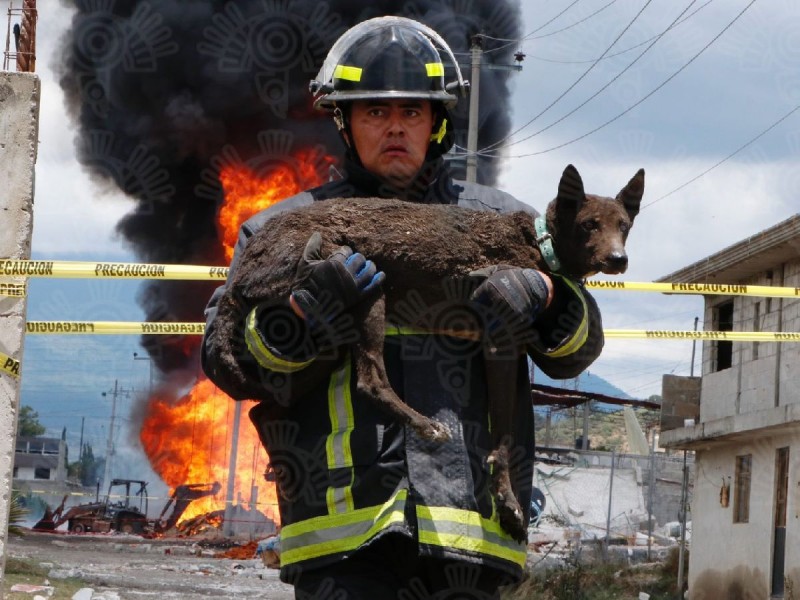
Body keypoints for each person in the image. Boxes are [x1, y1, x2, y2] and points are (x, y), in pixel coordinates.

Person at [201, 16, 603, 599]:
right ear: (344, 120)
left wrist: (544, 299)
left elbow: (578, 349)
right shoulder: (285, 229)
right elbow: (230, 362)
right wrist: (304, 317)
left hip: (471, 534)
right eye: (375, 112)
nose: (395, 128)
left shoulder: (502, 223)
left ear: (438, 121)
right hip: (343, 537)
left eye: (412, 112)